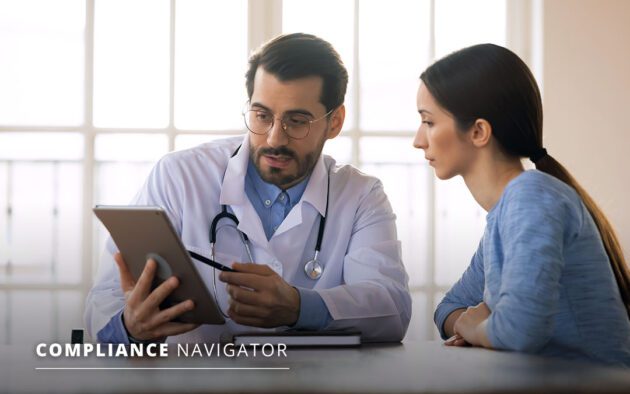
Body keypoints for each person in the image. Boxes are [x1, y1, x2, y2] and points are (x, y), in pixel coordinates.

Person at [85, 33, 411, 344]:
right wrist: (130, 327)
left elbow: (391, 308)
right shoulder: (178, 176)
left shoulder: (360, 196)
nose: (274, 139)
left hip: (312, 382)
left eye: (296, 121)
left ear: (335, 122)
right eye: (262, 115)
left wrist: (299, 307)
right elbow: (106, 300)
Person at [414, 43, 630, 366]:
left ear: (478, 131)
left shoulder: (531, 197)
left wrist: (480, 327)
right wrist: (478, 325)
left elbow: (519, 332)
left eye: (429, 122)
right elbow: (447, 309)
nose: (419, 139)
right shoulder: (504, 215)